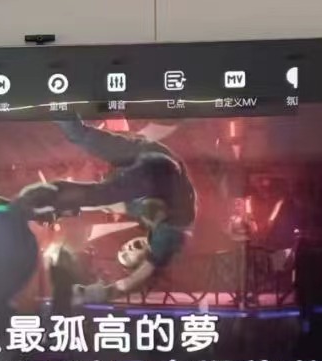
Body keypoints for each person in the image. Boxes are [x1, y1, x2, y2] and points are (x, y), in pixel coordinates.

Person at [18, 116, 196, 302]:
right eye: (131, 254)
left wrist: (71, 210)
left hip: (143, 156)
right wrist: (105, 293)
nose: (129, 247)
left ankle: (61, 110)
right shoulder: (169, 237)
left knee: (81, 137)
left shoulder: (137, 212)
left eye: (124, 251)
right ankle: (46, 198)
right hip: (160, 167)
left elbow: (109, 204)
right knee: (102, 192)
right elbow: (139, 277)